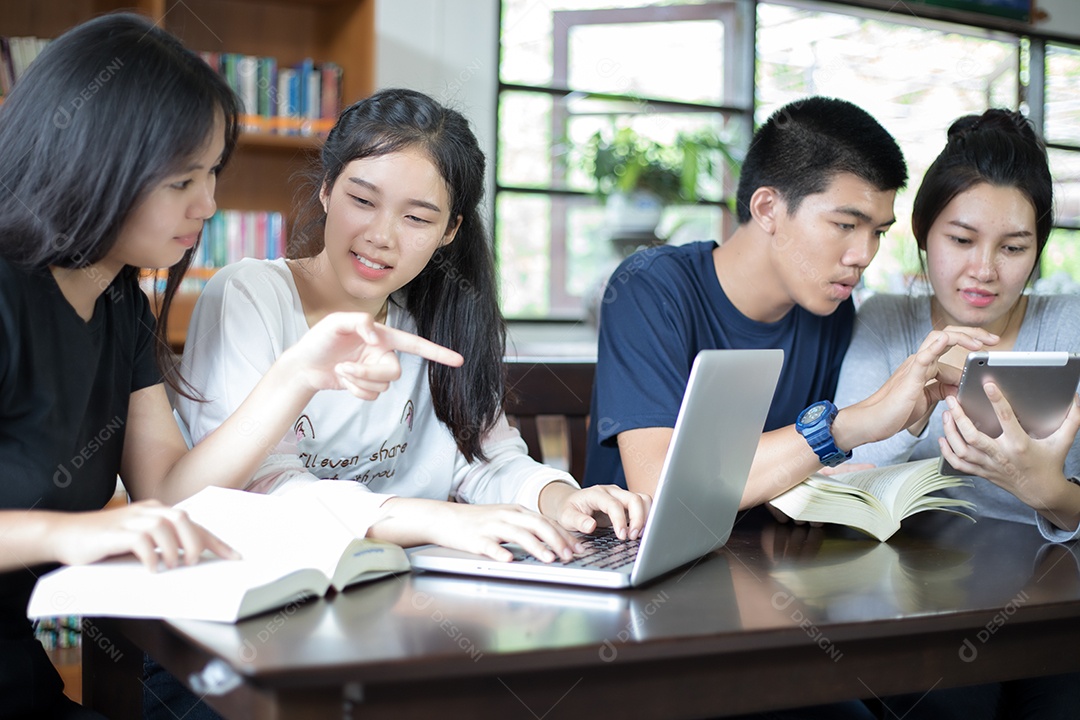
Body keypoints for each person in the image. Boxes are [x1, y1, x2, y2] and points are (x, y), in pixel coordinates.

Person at [0, 15, 461, 718]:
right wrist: (67, 533)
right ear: (94, 160)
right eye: (183, 179)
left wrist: (299, 372)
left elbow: (172, 490)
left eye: (213, 172)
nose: (209, 204)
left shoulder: (118, 296)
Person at [583, 96, 994, 514]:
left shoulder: (830, 311)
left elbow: (801, 475)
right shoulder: (650, 288)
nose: (863, 254)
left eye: (878, 233)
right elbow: (662, 486)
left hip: (769, 562)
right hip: (636, 562)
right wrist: (850, 424)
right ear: (767, 208)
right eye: (846, 225)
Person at [833, 109, 1080, 720]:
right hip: (925, 596)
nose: (984, 270)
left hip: (1059, 596)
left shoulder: (1070, 324)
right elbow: (840, 480)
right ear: (923, 234)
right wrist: (906, 416)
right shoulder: (888, 320)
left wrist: (1052, 494)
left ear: (1039, 248)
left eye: (1014, 247)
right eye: (961, 240)